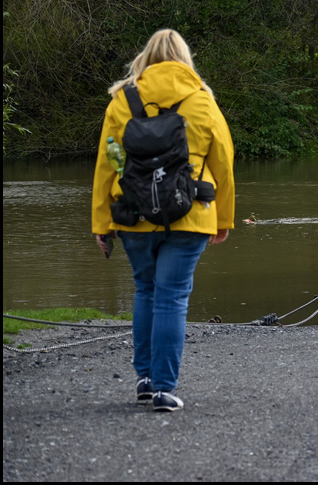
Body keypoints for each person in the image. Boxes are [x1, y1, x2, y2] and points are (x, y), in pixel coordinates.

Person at [91, 29, 235, 412]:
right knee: (172, 296)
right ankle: (164, 390)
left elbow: (107, 164)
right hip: (191, 214)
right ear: (185, 57)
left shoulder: (122, 100)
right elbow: (223, 161)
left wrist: (101, 222)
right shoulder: (202, 99)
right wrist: (225, 218)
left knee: (146, 290)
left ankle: (144, 380)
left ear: (146, 57)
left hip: (133, 215)